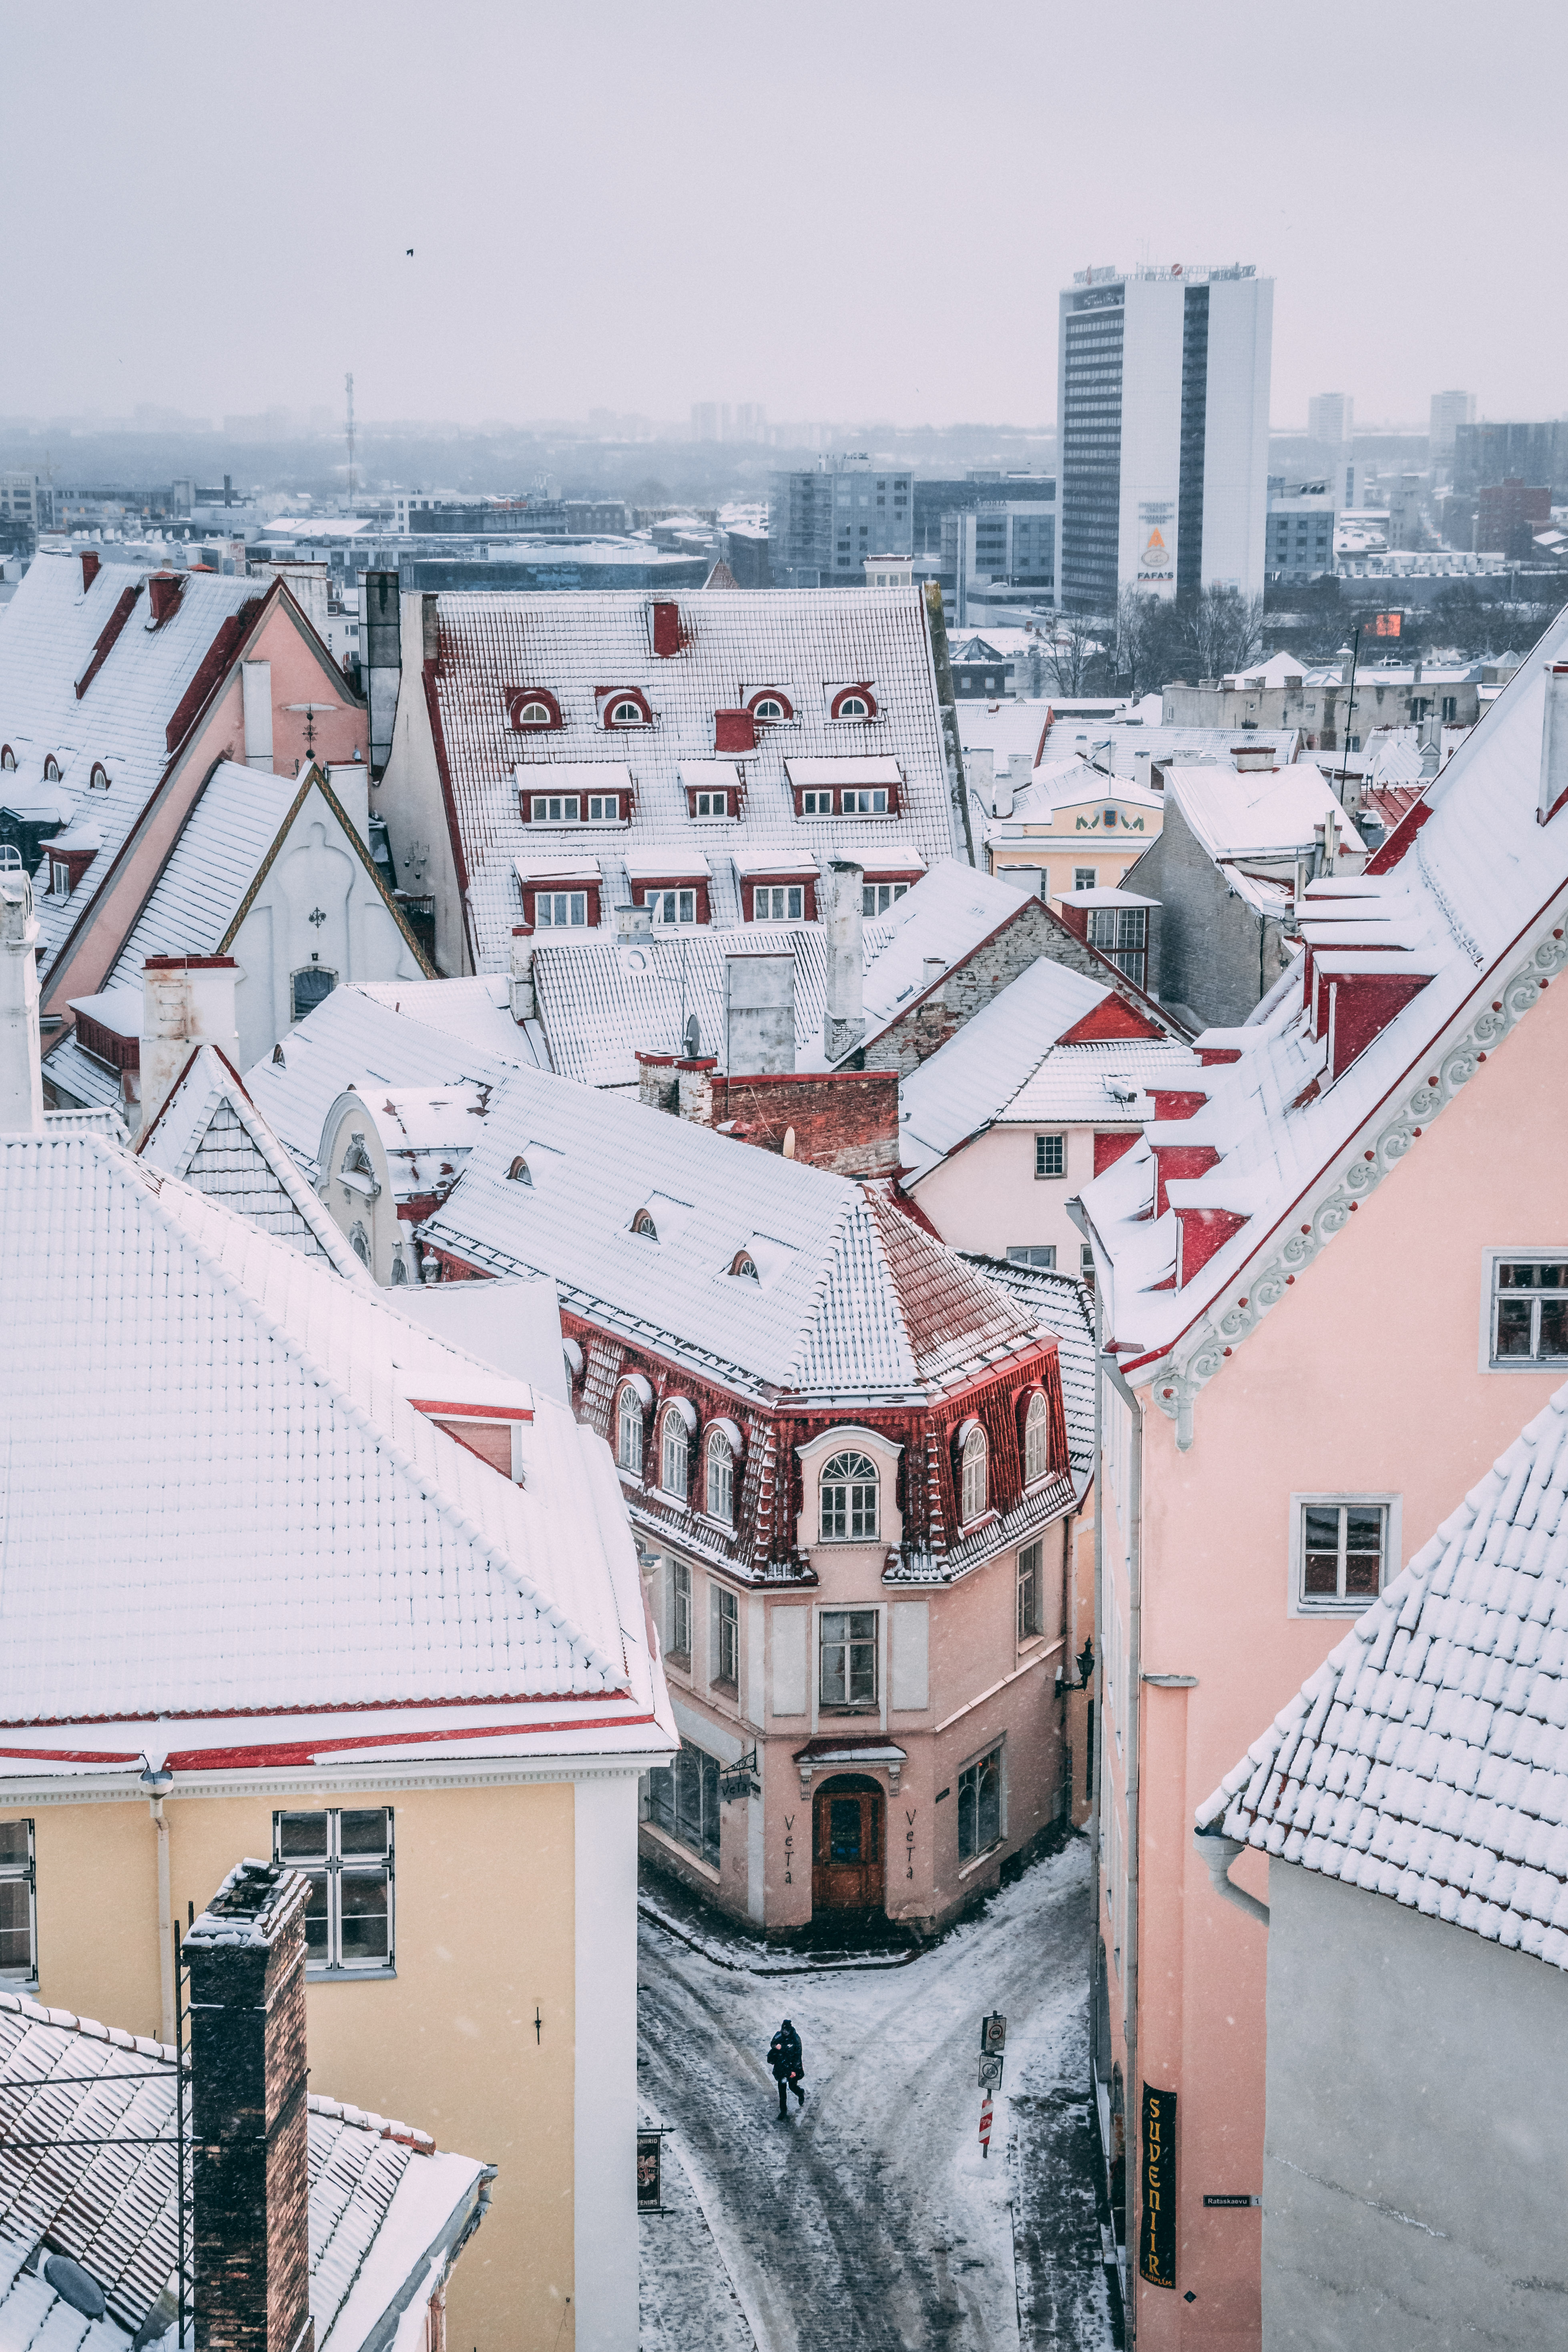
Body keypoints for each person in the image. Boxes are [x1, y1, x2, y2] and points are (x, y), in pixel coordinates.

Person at [767, 2018, 806, 2118]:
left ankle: (800, 2093)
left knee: (793, 2086)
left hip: (792, 2067)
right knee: (782, 2088)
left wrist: (795, 2070)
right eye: (784, 2030)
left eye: (786, 2030)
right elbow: (773, 2044)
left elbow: (798, 2056)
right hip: (782, 2068)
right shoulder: (779, 2035)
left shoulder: (796, 2039)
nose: (785, 2032)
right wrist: (777, 2047)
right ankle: (783, 2111)